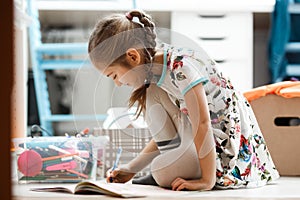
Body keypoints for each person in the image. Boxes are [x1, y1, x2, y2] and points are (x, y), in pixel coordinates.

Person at [88, 10, 280, 191]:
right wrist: (131, 168)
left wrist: (207, 180)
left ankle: (185, 168)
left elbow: (202, 124)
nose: (118, 84)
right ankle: (177, 163)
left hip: (222, 149)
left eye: (114, 76)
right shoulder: (156, 72)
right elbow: (171, 129)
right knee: (151, 93)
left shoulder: (182, 67)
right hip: (198, 137)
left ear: (132, 56)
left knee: (160, 172)